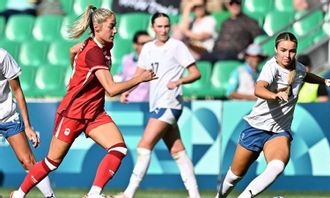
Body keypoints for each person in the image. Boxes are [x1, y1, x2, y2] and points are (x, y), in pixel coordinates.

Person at [10, 5, 156, 198]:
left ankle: (94, 194)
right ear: (97, 27)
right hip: (73, 113)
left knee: (118, 148)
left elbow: (72, 50)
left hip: (94, 113)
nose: (116, 30)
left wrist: (76, 70)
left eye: (116, 26)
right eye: (111, 26)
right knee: (52, 162)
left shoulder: (103, 46)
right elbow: (111, 89)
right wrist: (139, 78)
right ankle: (19, 194)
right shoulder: (94, 52)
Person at [215, 32, 330, 198]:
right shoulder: (271, 67)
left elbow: (305, 75)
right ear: (275, 49)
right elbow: (258, 88)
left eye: (292, 51)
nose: (287, 55)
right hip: (256, 127)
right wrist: (274, 95)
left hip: (280, 131)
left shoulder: (299, 68)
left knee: (277, 167)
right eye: (283, 50)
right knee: (234, 176)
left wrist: (327, 82)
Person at [111, 12, 202, 198]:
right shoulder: (147, 48)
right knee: (178, 151)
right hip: (157, 104)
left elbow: (196, 73)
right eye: (159, 26)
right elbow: (139, 75)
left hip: (170, 103)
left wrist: (179, 82)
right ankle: (195, 195)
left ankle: (128, 194)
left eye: (166, 26)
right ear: (153, 27)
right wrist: (127, 91)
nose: (163, 30)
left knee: (144, 146)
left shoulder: (177, 46)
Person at [0, 48, 56, 198]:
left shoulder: (3, 56)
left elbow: (17, 91)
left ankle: (50, 196)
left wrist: (27, 126)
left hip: (7, 118)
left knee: (28, 162)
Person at [200, 0, 265, 63]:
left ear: (241, 4)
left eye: (237, 3)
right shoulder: (225, 22)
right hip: (219, 52)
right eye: (231, 3)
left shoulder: (249, 22)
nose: (234, 6)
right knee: (202, 57)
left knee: (221, 55)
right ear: (228, 6)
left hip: (237, 53)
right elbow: (218, 40)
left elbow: (260, 38)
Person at [114, 30, 152, 102]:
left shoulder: (154, 60)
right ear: (135, 45)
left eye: (149, 43)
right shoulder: (126, 60)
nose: (147, 46)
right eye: (143, 43)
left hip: (147, 103)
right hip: (129, 102)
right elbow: (118, 78)